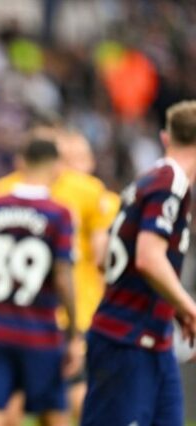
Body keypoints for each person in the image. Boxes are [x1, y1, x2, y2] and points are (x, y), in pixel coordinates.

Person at [0, 139, 84, 426]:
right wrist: (73, 332)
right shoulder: (59, 215)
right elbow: (62, 278)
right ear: (57, 167)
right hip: (42, 331)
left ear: (21, 162)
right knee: (53, 416)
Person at [0, 125, 116, 423]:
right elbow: (101, 258)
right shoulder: (89, 191)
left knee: (10, 405)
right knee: (71, 401)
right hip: (75, 314)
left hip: (17, 315)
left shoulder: (1, 190)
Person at [82, 101, 196, 425]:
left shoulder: (144, 182)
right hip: (126, 338)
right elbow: (148, 257)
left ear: (165, 137)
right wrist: (189, 307)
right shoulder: (170, 183)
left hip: (152, 338)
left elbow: (103, 255)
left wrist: (171, 305)